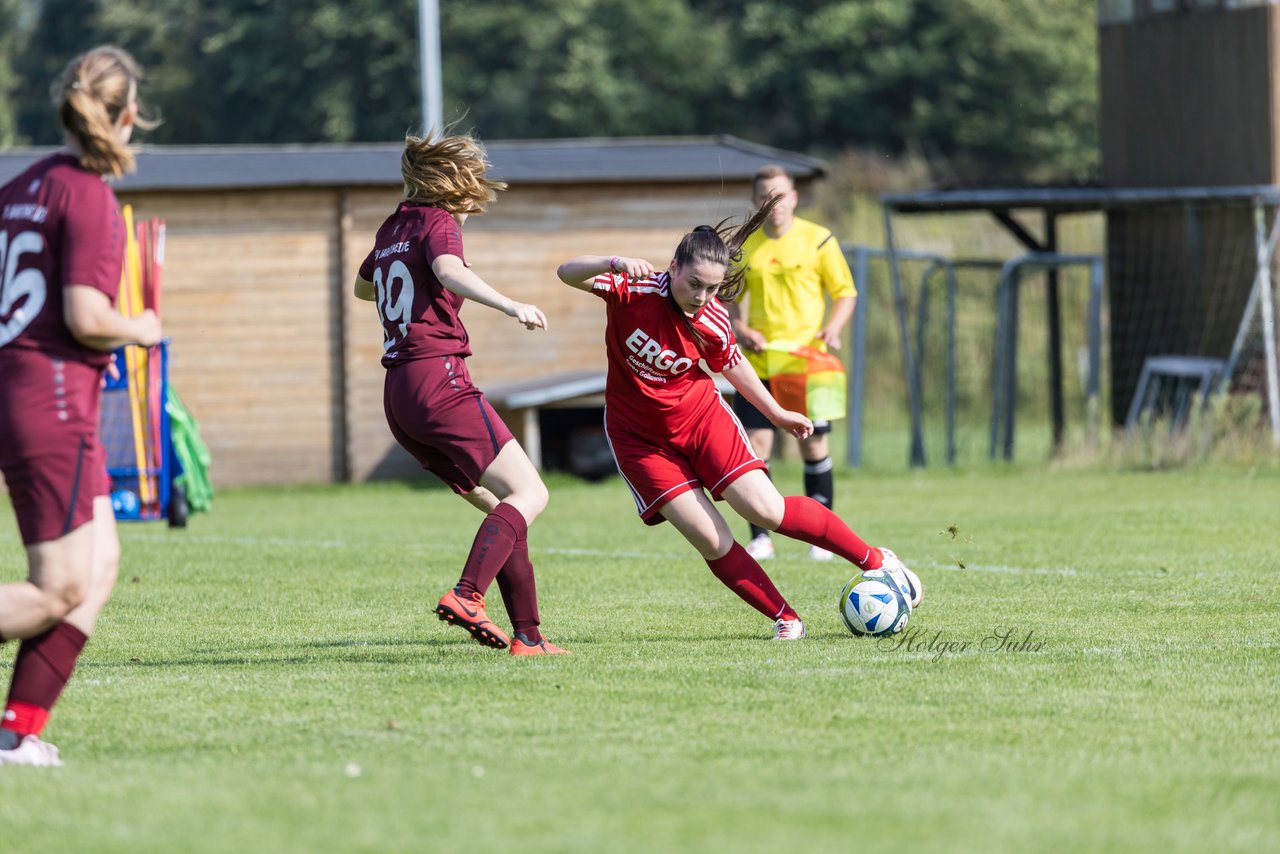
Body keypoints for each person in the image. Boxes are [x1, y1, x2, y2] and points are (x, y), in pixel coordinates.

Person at [556, 201, 913, 640]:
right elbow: (566, 272)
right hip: (640, 439)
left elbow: (734, 368)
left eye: (712, 288)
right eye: (694, 284)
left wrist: (778, 413)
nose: (701, 296)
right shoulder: (636, 289)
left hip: (701, 420)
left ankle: (876, 560)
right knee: (711, 537)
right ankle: (786, 617)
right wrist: (610, 261)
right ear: (673, 267)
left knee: (766, 509)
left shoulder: (712, 318)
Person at [0, 46, 164, 766]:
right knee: (58, 586)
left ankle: (16, 734)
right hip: (54, 394)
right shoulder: (89, 194)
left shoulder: (20, 185)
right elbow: (88, 314)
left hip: (28, 389)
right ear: (128, 116)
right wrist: (143, 328)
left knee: (98, 569)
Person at [353, 131, 567, 657]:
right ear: (454, 189)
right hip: (439, 380)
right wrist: (511, 304)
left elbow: (363, 287)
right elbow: (449, 269)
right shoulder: (438, 222)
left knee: (502, 507)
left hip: (399, 395)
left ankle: (530, 637)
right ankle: (469, 595)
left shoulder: (391, 227)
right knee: (531, 494)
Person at [726, 164, 857, 562]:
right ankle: (761, 537)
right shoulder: (744, 247)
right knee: (756, 447)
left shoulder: (818, 240)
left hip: (805, 363)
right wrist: (741, 328)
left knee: (813, 445)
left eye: (780, 196)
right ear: (755, 202)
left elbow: (845, 292)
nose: (774, 204)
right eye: (765, 196)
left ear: (794, 198)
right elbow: (727, 299)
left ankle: (823, 536)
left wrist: (832, 329)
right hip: (759, 363)